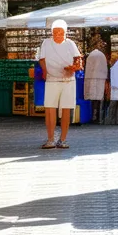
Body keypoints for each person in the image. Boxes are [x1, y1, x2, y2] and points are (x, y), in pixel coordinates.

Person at [38, 19, 82, 149]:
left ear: (65, 33)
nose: (58, 34)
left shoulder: (70, 44)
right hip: (52, 79)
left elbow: (78, 59)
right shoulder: (46, 43)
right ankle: (50, 139)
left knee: (66, 109)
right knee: (50, 109)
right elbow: (42, 59)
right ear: (52, 32)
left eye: (60, 32)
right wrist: (45, 71)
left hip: (68, 81)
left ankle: (62, 139)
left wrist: (73, 68)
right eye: (55, 31)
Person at [84, 41, 109, 123]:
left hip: (90, 77)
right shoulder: (102, 56)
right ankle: (97, 117)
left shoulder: (91, 55)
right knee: (98, 98)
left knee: (93, 98)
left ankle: (93, 116)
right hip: (100, 79)